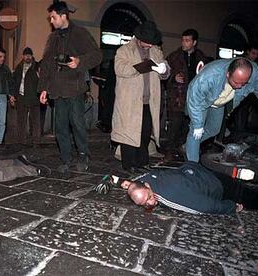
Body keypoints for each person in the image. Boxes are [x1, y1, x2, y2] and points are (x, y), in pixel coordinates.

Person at [38, 1, 102, 175]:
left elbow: (97, 55)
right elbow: (46, 65)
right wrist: (43, 88)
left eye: (53, 17)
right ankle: (66, 158)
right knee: (60, 127)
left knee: (77, 124)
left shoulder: (80, 33)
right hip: (57, 90)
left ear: (63, 16)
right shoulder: (52, 38)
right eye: (50, 17)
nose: (51, 21)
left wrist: (79, 62)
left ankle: (83, 156)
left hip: (75, 88)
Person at [185, 57, 258, 162]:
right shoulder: (210, 76)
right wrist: (197, 125)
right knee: (196, 132)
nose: (239, 87)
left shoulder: (254, 75)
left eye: (244, 83)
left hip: (219, 103)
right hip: (202, 102)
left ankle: (189, 145)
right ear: (228, 74)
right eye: (236, 82)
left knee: (214, 129)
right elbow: (194, 98)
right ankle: (192, 166)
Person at [111, 21, 170, 174]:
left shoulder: (156, 51)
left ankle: (142, 162)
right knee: (129, 133)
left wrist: (164, 70)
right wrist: (142, 66)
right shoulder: (124, 50)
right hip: (130, 102)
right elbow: (120, 69)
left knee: (145, 133)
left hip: (149, 101)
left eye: (152, 42)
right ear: (139, 38)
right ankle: (128, 164)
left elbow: (165, 71)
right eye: (147, 42)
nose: (150, 45)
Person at [121, 161, 244, 214]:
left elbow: (205, 207)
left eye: (149, 197)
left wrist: (232, 207)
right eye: (143, 203)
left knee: (251, 196)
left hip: (216, 187)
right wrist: (130, 184)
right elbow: (139, 181)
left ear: (147, 186)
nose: (150, 202)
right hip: (196, 170)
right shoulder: (146, 180)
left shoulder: (169, 195)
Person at [164, 29, 207, 160]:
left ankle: (183, 150)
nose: (184, 42)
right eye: (183, 40)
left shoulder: (201, 58)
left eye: (187, 40)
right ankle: (169, 152)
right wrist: (173, 78)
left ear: (194, 42)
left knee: (187, 127)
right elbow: (163, 75)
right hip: (177, 98)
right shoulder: (174, 56)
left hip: (194, 100)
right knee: (174, 126)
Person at [13, 47, 41, 145]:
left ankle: (36, 140)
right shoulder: (19, 67)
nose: (28, 57)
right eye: (26, 55)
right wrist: (14, 95)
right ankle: (21, 141)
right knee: (21, 120)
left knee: (36, 120)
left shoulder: (37, 66)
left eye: (29, 55)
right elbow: (15, 82)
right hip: (22, 96)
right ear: (23, 56)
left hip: (34, 97)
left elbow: (41, 81)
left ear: (32, 56)